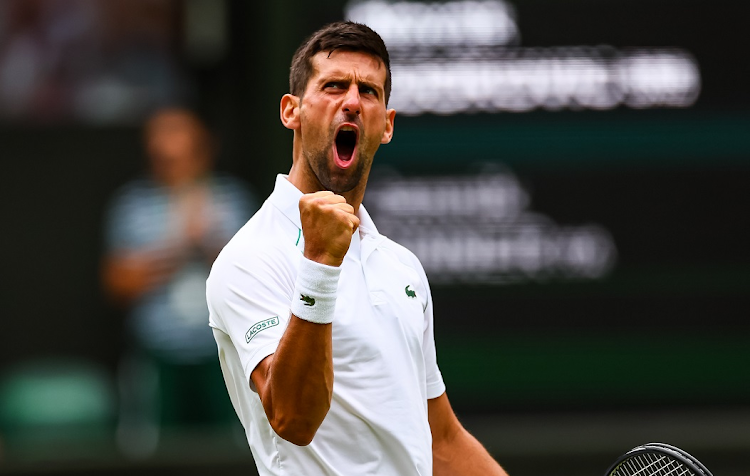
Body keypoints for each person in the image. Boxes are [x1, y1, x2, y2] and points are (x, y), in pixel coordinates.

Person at [206, 22, 509, 475]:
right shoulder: (248, 259)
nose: (351, 101)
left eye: (368, 91)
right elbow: (293, 418)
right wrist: (321, 264)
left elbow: (441, 440)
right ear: (292, 111)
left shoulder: (402, 267)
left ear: (386, 125)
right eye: (333, 86)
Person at [103, 107, 257, 454]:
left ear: (202, 146)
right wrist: (177, 246)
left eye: (178, 138)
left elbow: (256, 277)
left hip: (225, 354)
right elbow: (118, 282)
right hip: (159, 356)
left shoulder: (233, 200)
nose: (168, 150)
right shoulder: (133, 205)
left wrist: (210, 246)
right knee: (155, 454)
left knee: (231, 452)